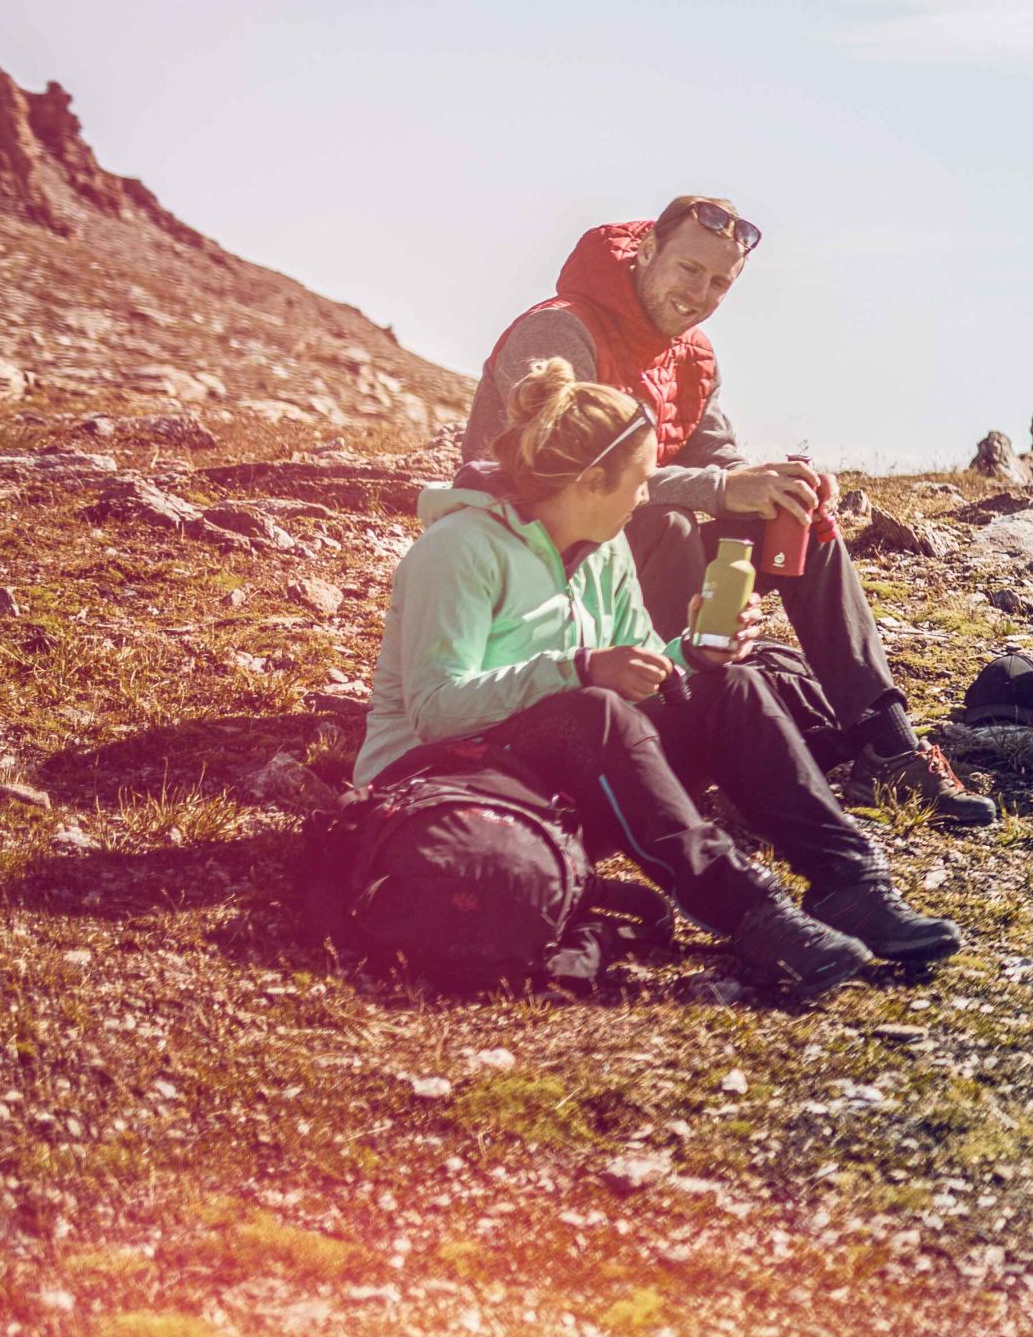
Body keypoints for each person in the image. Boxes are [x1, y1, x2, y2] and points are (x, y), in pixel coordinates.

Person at [361, 359, 962, 1002]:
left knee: (731, 689)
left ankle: (851, 885)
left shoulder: (606, 549)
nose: (648, 497)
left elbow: (642, 674)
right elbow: (431, 709)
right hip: (445, 789)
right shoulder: (459, 549)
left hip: (564, 777)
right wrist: (580, 669)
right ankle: (755, 915)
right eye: (641, 481)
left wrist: (692, 656)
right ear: (592, 481)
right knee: (591, 709)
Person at [464, 196, 994, 830]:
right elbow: (559, 475)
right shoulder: (558, 329)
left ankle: (887, 741)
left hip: (632, 549)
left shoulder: (694, 356)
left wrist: (776, 489)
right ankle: (697, 718)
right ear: (649, 250)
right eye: (690, 269)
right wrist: (721, 491)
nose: (700, 293)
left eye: (720, 282)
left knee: (801, 524)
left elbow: (720, 464)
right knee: (667, 523)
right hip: (531, 556)